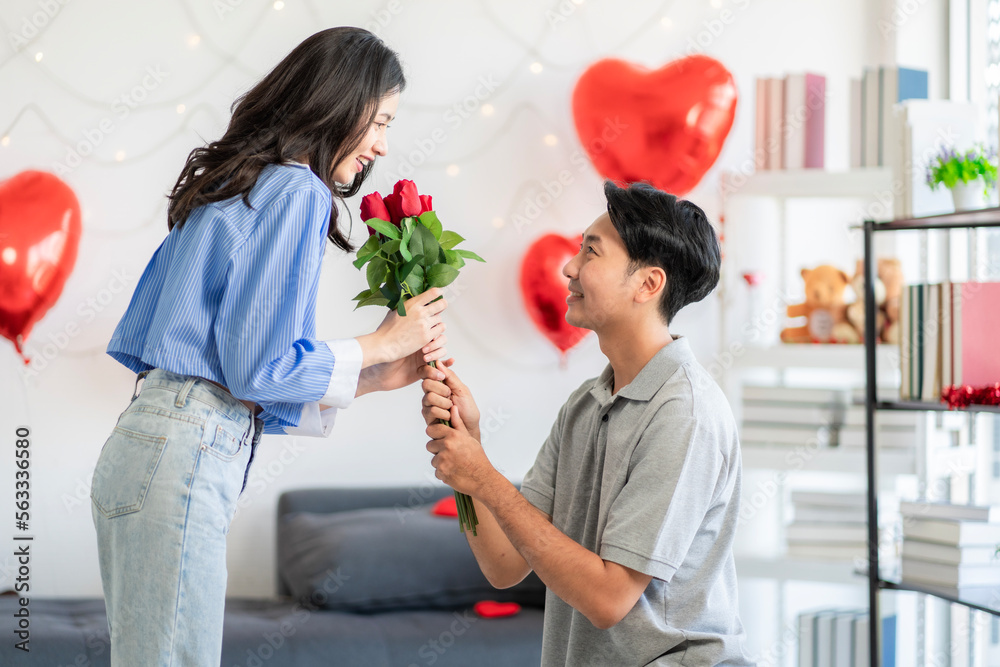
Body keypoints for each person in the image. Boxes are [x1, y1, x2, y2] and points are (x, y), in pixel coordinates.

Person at [90, 27, 447, 666]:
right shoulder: (297, 191)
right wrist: (379, 341)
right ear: (340, 101)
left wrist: (372, 374)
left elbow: (236, 371)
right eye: (380, 121)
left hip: (147, 443)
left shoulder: (244, 182)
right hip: (180, 453)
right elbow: (258, 368)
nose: (382, 147)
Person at [420, 180, 753, 665]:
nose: (569, 267)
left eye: (591, 253)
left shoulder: (684, 414)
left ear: (648, 284)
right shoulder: (586, 404)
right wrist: (469, 447)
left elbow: (608, 599)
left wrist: (484, 478)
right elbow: (503, 564)